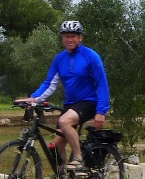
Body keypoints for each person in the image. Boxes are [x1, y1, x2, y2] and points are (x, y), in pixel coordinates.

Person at [24, 20, 110, 171]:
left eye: (73, 36)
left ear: (80, 38)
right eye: (66, 36)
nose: (69, 39)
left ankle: (78, 158)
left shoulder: (90, 56)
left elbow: (102, 83)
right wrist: (34, 98)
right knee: (56, 146)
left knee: (64, 121)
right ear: (62, 38)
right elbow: (49, 83)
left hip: (89, 102)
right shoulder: (60, 59)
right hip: (71, 104)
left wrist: (101, 111)